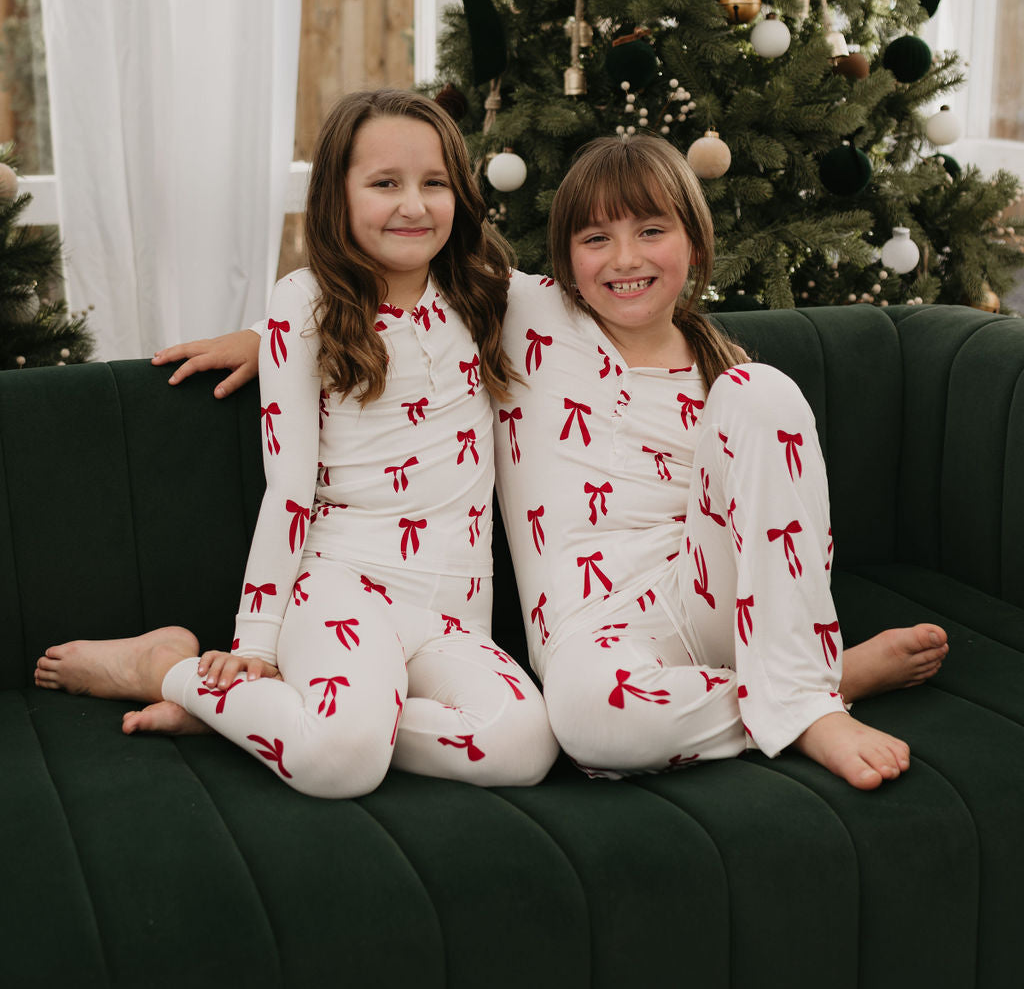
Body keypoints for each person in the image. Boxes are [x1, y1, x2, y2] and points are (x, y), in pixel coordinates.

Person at [133, 130, 948, 792]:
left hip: (705, 596)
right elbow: (374, 293)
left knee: (763, 389)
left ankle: (802, 693)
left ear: (696, 247)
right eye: (597, 238)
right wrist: (268, 341)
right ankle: (810, 684)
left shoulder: (721, 369)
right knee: (586, 725)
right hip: (597, 637)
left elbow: (768, 509)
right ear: (562, 261)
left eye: (653, 232)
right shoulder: (525, 311)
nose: (625, 259)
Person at [34, 90, 558, 798]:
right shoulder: (305, 303)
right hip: (344, 586)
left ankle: (263, 718)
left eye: (435, 182)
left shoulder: (489, 293)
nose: (414, 204)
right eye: (384, 183)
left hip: (450, 611)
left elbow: (602, 292)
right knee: (339, 762)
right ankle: (170, 669)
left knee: (523, 745)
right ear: (336, 198)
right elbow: (288, 490)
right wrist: (256, 641)